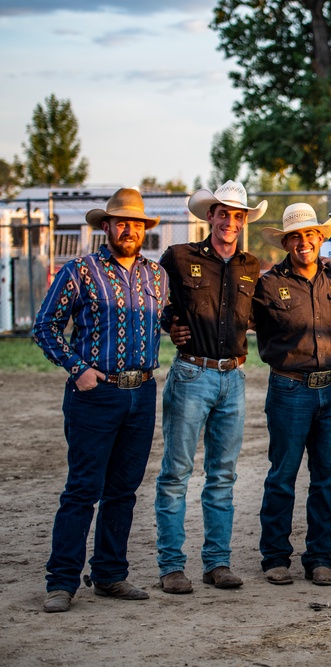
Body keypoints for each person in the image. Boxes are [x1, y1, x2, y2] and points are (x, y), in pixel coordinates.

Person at [33, 188, 167, 613]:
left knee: (123, 490)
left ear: (145, 229)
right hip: (95, 393)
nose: (129, 229)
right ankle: (62, 581)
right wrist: (78, 368)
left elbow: (167, 320)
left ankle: (110, 573)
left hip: (142, 393)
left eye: (136, 223)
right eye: (121, 222)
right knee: (82, 488)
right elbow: (45, 327)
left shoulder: (156, 276)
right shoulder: (79, 270)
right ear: (106, 226)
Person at [154, 181, 267, 594]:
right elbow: (153, 299)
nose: (230, 221)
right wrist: (170, 324)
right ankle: (171, 566)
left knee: (222, 475)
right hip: (192, 374)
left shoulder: (250, 265)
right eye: (223, 213)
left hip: (233, 377)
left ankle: (217, 563)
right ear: (210, 216)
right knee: (177, 472)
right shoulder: (179, 257)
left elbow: (259, 314)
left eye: (237, 215)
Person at [252, 203, 331, 586]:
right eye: (295, 236)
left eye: (310, 235)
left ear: (321, 238)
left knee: (326, 477)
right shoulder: (266, 285)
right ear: (286, 242)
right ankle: (276, 557)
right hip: (289, 387)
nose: (303, 242)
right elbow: (237, 322)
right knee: (282, 475)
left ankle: (320, 557)